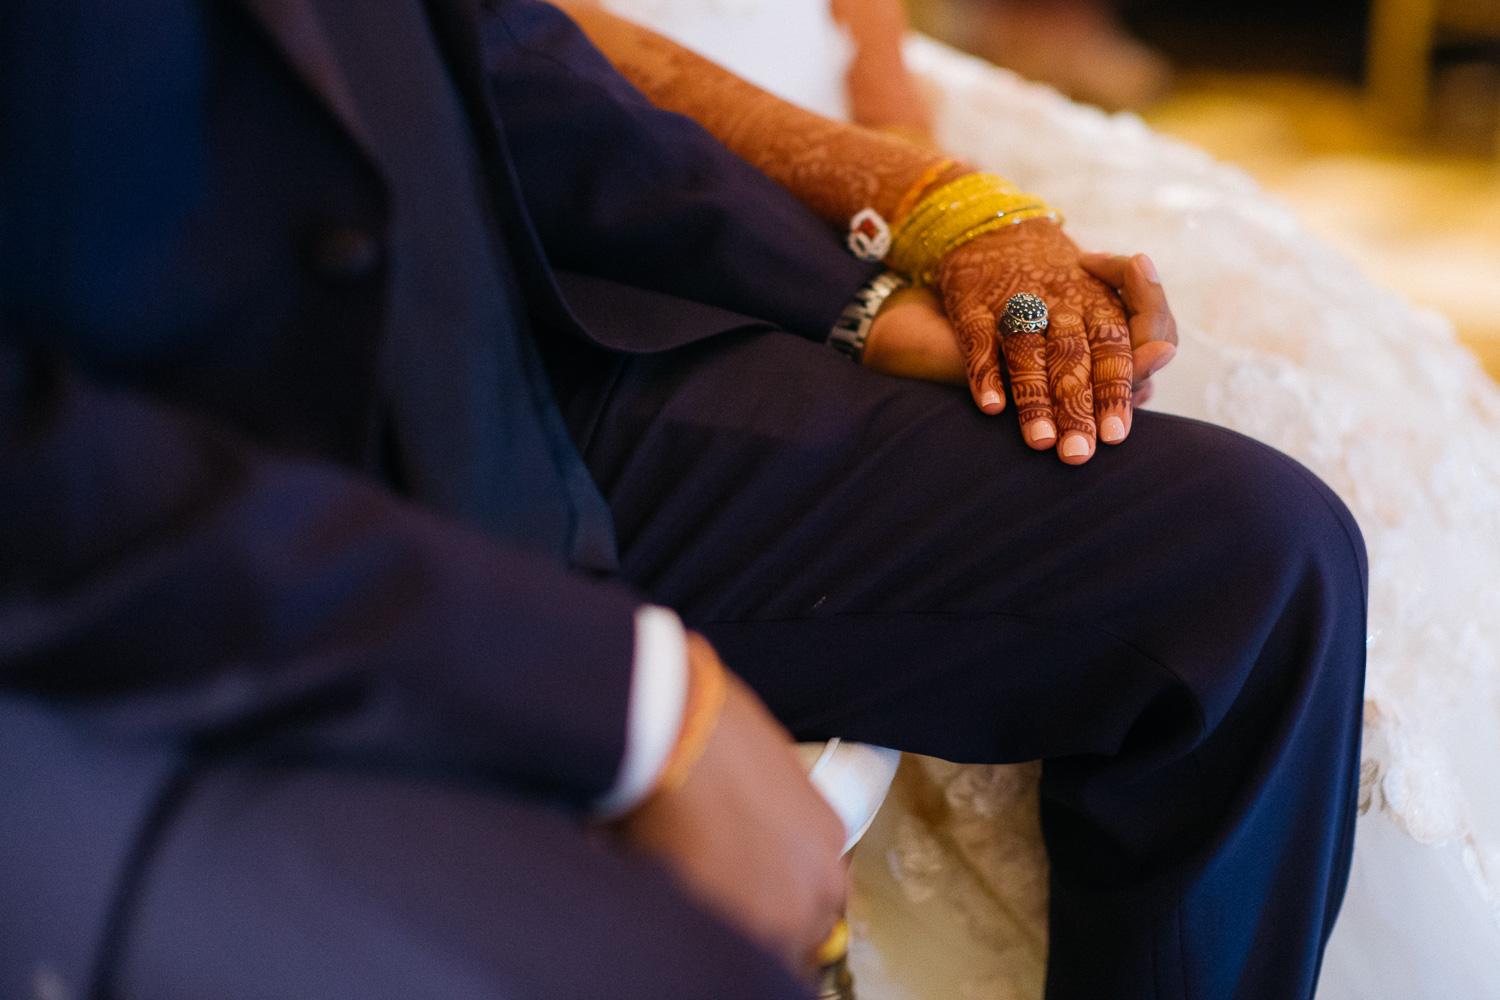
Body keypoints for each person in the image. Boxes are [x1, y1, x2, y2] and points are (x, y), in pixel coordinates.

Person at [0, 1, 1367, 998]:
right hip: (216, 518)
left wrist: (860, 301)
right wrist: (640, 706)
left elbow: (491, 53)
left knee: (1257, 567)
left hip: (513, 376)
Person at [589, 1, 1500, 997]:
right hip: (631, 209)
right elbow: (526, 61)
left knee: (1363, 394)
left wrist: (905, 141)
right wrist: (918, 216)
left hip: (854, 134)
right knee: (1242, 509)